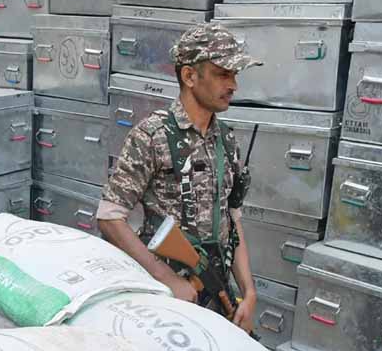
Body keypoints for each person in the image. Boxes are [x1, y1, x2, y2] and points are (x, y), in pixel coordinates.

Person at [97, 23, 262, 333]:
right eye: (223, 74)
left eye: (235, 75)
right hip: (163, 299)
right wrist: (167, 278)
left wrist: (249, 292)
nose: (233, 85)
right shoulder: (153, 135)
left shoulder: (227, 140)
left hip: (216, 289)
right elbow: (109, 217)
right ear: (189, 76)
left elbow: (233, 220)